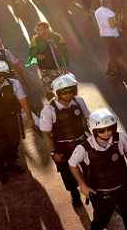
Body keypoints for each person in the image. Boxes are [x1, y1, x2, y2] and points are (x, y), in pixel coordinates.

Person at [68, 108, 127, 230]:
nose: (107, 133)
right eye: (102, 130)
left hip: (123, 188)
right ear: (94, 130)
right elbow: (72, 165)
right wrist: (82, 185)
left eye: (110, 128)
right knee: (100, 221)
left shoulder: (120, 138)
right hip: (101, 194)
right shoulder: (84, 148)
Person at [39, 73, 90, 207]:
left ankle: (92, 192)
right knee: (66, 172)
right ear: (57, 93)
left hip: (82, 141)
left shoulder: (79, 102)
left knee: (91, 167)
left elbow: (87, 120)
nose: (68, 95)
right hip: (63, 146)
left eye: (71, 91)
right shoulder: (49, 110)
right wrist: (53, 152)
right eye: (64, 92)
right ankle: (74, 194)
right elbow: (46, 133)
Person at [27, 22, 68, 98]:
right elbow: (31, 53)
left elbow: (64, 51)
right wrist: (37, 55)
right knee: (48, 90)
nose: (41, 32)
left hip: (59, 67)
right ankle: (52, 104)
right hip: (45, 69)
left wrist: (65, 65)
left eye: (43, 29)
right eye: (38, 30)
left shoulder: (57, 37)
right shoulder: (35, 39)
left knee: (64, 88)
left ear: (48, 29)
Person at [94, 0, 125, 76]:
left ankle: (110, 69)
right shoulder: (110, 13)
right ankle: (114, 71)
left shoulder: (97, 11)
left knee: (111, 52)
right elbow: (113, 25)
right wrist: (119, 22)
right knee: (114, 53)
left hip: (103, 34)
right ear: (108, 3)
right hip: (112, 35)